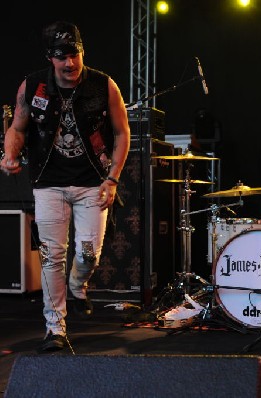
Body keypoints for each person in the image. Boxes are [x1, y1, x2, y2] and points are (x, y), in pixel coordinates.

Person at [0, 21, 130, 351]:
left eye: (75, 55)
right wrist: (10, 155)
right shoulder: (32, 86)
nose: (70, 63)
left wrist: (113, 178)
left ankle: (78, 281)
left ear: (82, 52)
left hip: (92, 182)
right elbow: (17, 128)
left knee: (89, 253)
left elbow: (122, 133)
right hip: (49, 183)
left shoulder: (104, 85)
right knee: (51, 256)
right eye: (62, 57)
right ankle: (55, 327)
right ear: (50, 58)